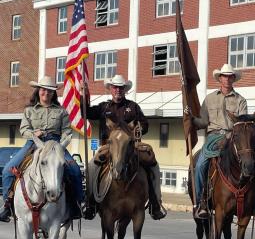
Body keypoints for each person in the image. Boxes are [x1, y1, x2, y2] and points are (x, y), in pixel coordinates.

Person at [81, 74, 166, 220]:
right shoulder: (104, 107)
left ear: (124, 90)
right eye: (115, 87)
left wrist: (138, 129)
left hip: (131, 147)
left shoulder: (133, 107)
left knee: (152, 164)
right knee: (91, 167)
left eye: (120, 88)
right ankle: (90, 203)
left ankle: (155, 203)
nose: (118, 90)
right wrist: (83, 95)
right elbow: (85, 112)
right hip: (108, 147)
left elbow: (145, 124)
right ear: (110, 89)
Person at [0, 76, 83, 222]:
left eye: (50, 91)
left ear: (53, 93)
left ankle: (76, 205)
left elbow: (67, 132)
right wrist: (33, 134)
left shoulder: (61, 111)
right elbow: (23, 130)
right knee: (8, 169)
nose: (46, 93)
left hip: (55, 145)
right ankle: (7, 205)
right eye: (44, 89)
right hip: (33, 144)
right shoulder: (29, 110)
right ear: (38, 91)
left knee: (75, 170)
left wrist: (61, 144)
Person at [190, 63, 255, 219]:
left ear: (233, 79)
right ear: (220, 78)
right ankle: (200, 202)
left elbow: (243, 123)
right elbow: (203, 122)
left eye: (230, 76)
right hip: (214, 136)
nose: (227, 79)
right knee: (199, 165)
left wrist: (232, 133)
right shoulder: (209, 99)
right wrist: (190, 119)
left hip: (234, 137)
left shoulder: (240, 100)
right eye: (224, 76)